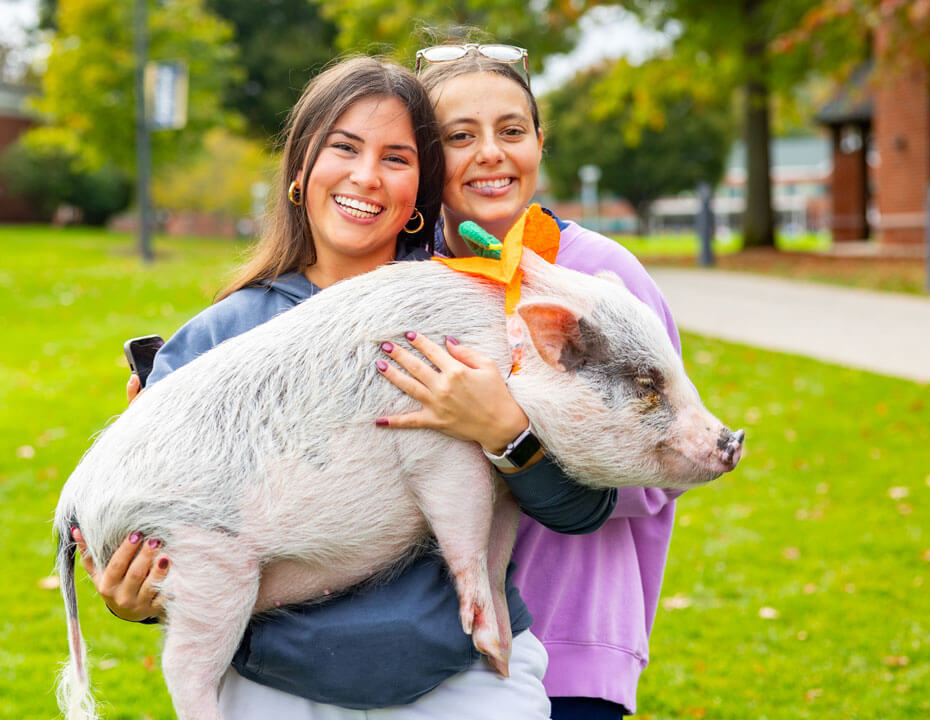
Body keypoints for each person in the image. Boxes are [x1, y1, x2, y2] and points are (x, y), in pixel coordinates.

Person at [72, 56, 618, 718]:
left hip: (462, 684)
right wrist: (133, 595)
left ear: (423, 187)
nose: (366, 176)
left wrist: (507, 431)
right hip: (273, 693)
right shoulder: (218, 340)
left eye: (396, 157)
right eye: (344, 148)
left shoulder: (478, 311)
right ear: (301, 169)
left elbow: (582, 509)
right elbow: (162, 549)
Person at [375, 44, 686, 719]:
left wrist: (511, 436)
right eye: (460, 137)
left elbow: (660, 469)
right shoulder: (404, 280)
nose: (490, 152)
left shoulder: (600, 279)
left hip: (568, 642)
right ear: (427, 157)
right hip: (431, 656)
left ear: (540, 143)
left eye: (511, 131)